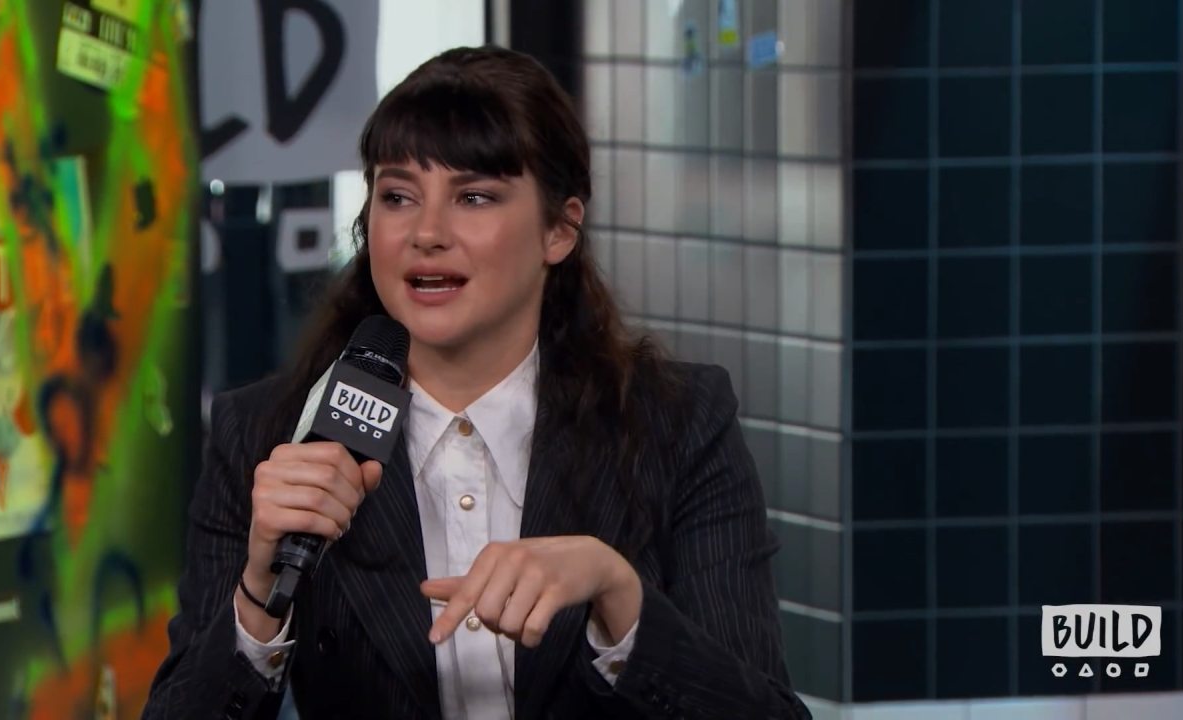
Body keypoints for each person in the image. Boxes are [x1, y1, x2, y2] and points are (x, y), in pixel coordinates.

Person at [143, 46, 810, 720]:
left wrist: (620, 598)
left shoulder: (678, 422)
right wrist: (258, 596)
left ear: (559, 229)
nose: (426, 233)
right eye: (397, 196)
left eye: (473, 197)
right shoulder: (266, 433)